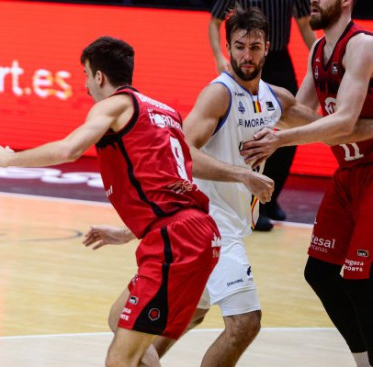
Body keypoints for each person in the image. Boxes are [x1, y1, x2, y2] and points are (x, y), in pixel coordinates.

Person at [86, 7, 319, 366]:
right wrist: (243, 174)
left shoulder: (278, 99)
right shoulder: (219, 94)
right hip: (211, 225)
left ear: (267, 48)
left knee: (174, 320)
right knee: (245, 323)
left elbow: (332, 127)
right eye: (239, 46)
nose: (246, 55)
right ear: (227, 47)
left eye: (254, 47)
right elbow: (183, 152)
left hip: (223, 230)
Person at [0, 36, 221, 367]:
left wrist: (8, 159)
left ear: (100, 76)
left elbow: (69, 149)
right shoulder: (165, 112)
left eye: (87, 75)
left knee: (119, 360)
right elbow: (170, 184)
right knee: (119, 318)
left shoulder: (114, 106)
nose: (86, 84)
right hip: (194, 232)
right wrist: (131, 231)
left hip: (174, 242)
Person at [241, 0, 373, 365]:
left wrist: (280, 139)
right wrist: (258, 141)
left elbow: (344, 121)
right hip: (348, 172)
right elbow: (298, 116)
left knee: (361, 279)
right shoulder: (318, 49)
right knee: (319, 272)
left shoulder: (363, 45)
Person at [209, 0, 317, 231]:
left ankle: (271, 198)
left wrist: (322, 60)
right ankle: (251, 200)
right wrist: (219, 56)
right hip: (250, 56)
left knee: (289, 131)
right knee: (251, 133)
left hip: (278, 58)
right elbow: (214, 21)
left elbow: (305, 25)